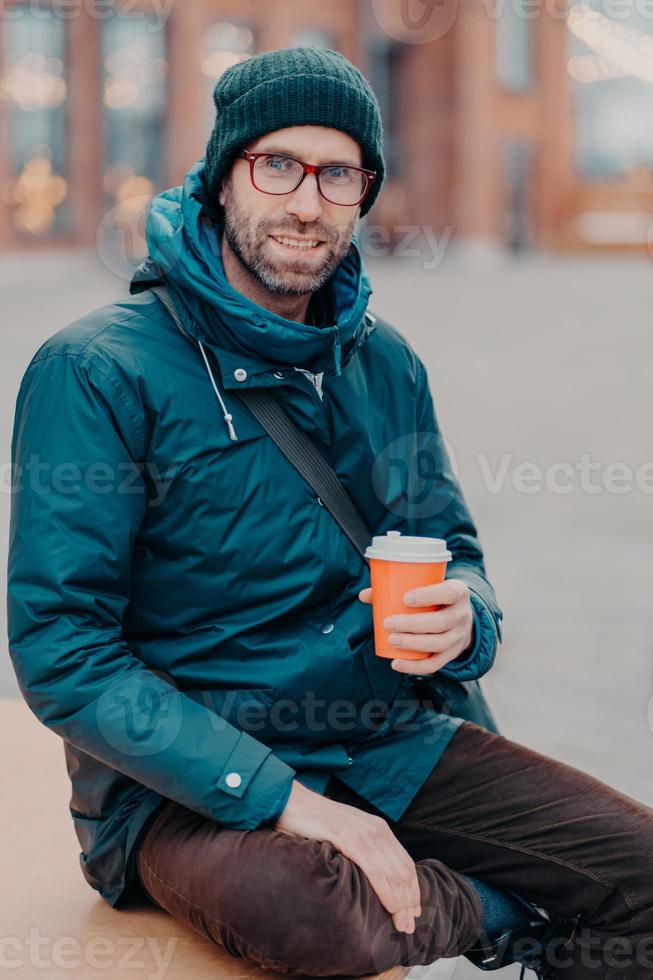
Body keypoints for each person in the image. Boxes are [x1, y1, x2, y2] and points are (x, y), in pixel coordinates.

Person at [7, 47, 653, 980]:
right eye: (277, 165)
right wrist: (280, 798)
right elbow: (63, 647)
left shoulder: (381, 362)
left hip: (380, 738)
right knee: (314, 912)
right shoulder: (98, 371)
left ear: (362, 193)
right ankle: (504, 913)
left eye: (337, 173)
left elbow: (452, 546)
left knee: (641, 873)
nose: (305, 202)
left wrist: (465, 614)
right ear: (223, 176)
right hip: (184, 785)